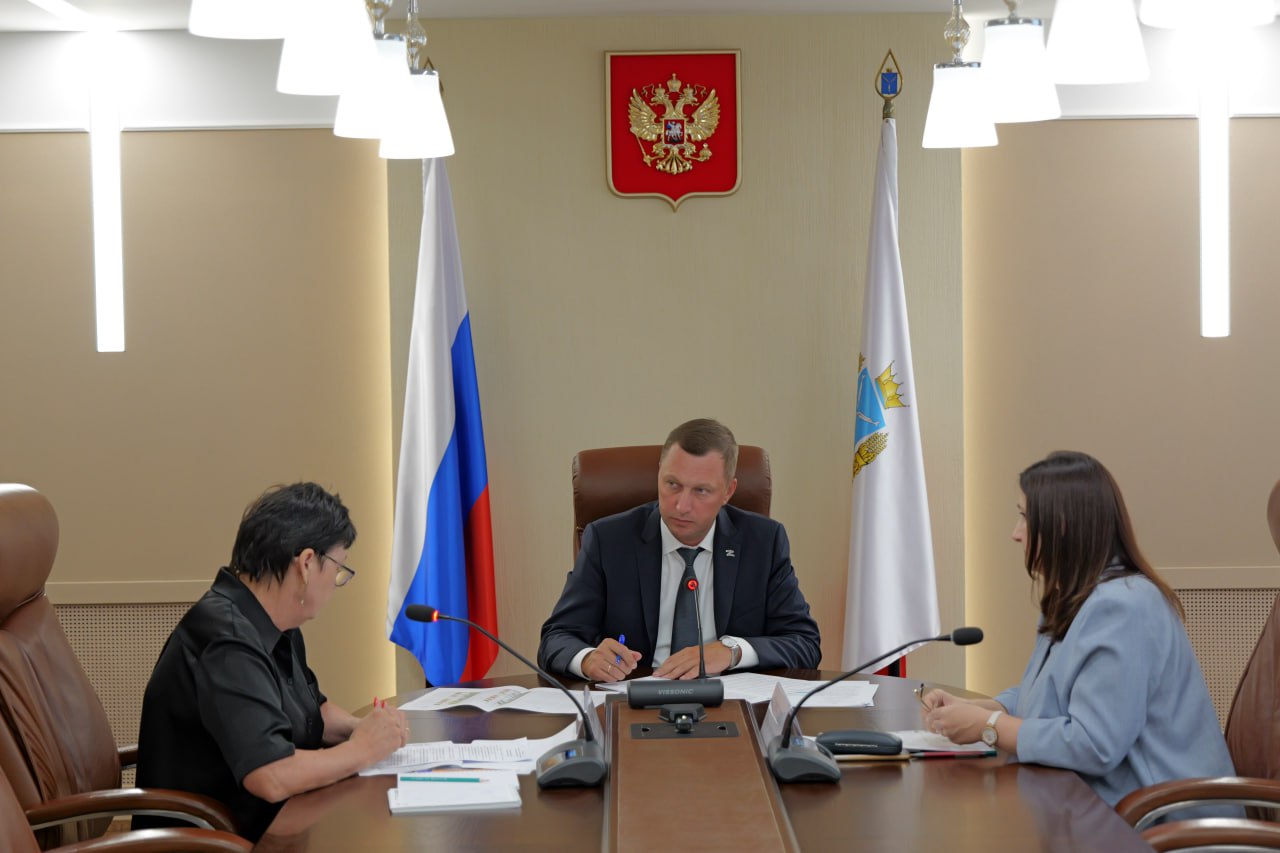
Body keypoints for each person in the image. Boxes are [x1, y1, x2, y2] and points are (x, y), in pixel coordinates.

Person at [922, 451, 1235, 809]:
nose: (1015, 534)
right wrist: (983, 708)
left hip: (1163, 821)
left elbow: (1093, 745)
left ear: (1061, 526)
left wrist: (987, 726)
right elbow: (1053, 694)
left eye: (1025, 518)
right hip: (1107, 808)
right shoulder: (1076, 596)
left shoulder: (1124, 607)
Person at [135, 482, 408, 841]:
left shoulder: (274, 622)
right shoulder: (225, 640)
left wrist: (361, 728)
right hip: (211, 842)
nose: (335, 584)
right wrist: (362, 750)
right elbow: (270, 775)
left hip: (263, 825)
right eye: (338, 570)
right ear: (307, 564)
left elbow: (310, 710)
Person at [537, 418, 821, 682]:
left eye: (701, 491)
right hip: (637, 696)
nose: (682, 506)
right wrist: (588, 659)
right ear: (659, 475)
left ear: (728, 491)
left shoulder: (763, 541)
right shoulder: (609, 540)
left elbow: (804, 643)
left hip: (728, 699)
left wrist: (731, 651)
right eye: (672, 484)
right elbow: (557, 637)